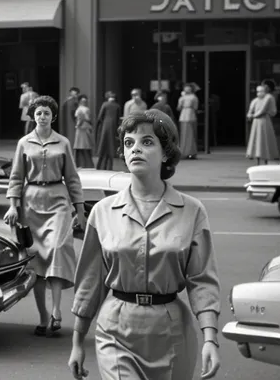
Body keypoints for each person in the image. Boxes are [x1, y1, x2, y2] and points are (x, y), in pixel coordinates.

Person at [69, 109, 222, 380]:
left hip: (172, 332)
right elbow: (90, 281)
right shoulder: (103, 212)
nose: (135, 149)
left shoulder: (192, 211)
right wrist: (77, 342)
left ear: (165, 153)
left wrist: (210, 338)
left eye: (146, 142)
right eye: (129, 143)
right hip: (115, 330)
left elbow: (202, 281)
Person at [4, 95, 87, 338]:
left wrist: (80, 211)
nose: (42, 117)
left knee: (59, 248)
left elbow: (72, 178)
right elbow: (16, 178)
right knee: (36, 261)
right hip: (31, 204)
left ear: (53, 117)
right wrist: (12, 207)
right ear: (33, 116)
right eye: (38, 113)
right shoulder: (24, 143)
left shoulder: (63, 142)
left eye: (47, 113)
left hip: (58, 200)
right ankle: (42, 317)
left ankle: (57, 310)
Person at [246, 84, 279, 165]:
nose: (259, 93)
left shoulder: (269, 97)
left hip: (264, 121)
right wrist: (249, 114)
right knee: (256, 138)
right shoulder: (255, 100)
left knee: (264, 138)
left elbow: (262, 110)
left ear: (266, 91)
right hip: (256, 122)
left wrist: (252, 115)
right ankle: (256, 156)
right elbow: (250, 110)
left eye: (261, 91)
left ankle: (265, 158)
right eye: (258, 91)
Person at [95, 91, 120, 170]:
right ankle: (109, 165)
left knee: (103, 145)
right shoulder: (117, 106)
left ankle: (101, 165)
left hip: (105, 126)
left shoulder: (105, 104)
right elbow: (118, 118)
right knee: (111, 145)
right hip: (113, 127)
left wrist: (98, 125)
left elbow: (100, 117)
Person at [177, 83, 199, 159]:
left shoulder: (193, 97)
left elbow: (195, 107)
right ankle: (183, 152)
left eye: (188, 88)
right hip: (183, 115)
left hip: (190, 115)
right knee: (183, 134)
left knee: (190, 134)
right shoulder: (182, 97)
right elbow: (178, 108)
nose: (187, 89)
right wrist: (181, 101)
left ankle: (191, 152)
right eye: (186, 88)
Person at [74, 94, 95, 168]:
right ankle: (85, 164)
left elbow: (81, 119)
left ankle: (83, 164)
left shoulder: (82, 109)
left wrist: (78, 125)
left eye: (85, 101)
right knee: (83, 146)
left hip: (82, 128)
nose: (84, 102)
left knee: (83, 146)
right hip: (83, 128)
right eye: (83, 101)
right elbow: (85, 119)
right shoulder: (84, 109)